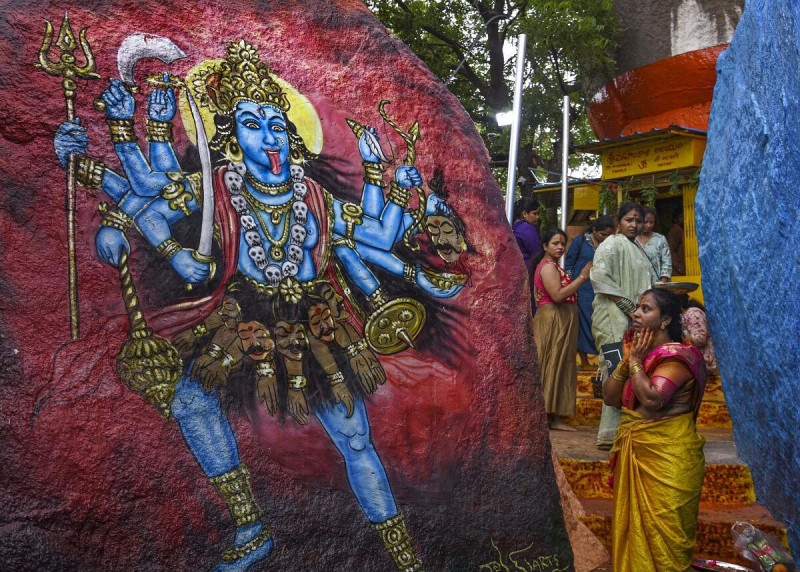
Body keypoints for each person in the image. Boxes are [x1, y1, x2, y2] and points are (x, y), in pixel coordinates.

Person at [52, 39, 467, 571]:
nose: (267, 136)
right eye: (252, 125)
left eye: (276, 126)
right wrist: (85, 162)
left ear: (291, 138)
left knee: (355, 436)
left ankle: (401, 552)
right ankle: (250, 523)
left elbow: (379, 232)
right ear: (231, 140)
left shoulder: (313, 193)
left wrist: (382, 174)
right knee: (190, 399)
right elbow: (146, 191)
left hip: (314, 322)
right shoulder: (221, 185)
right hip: (241, 319)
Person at [602, 288, 707, 572]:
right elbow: (610, 397)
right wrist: (628, 361)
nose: (636, 313)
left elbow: (653, 398)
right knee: (636, 534)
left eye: (646, 309)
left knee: (668, 544)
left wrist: (635, 362)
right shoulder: (638, 353)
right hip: (639, 451)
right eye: (637, 307)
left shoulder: (676, 356)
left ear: (664, 321)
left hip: (669, 459)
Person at [590, 202, 657, 450]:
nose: (635, 225)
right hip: (610, 317)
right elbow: (599, 277)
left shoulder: (636, 248)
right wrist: (627, 304)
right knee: (614, 368)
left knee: (631, 369)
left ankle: (626, 430)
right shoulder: (611, 244)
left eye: (638, 221)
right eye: (629, 220)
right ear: (618, 221)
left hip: (632, 318)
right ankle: (608, 435)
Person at [532, 229, 592, 431]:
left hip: (560, 321)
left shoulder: (554, 266)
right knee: (552, 365)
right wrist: (582, 278)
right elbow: (557, 296)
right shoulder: (548, 267)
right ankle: (547, 416)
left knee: (558, 366)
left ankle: (553, 416)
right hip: (553, 320)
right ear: (545, 246)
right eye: (555, 243)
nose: (560, 247)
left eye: (562, 243)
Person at [564, 215, 615, 369]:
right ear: (594, 230)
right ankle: (584, 361)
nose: (605, 238)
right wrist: (571, 287)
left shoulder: (608, 246)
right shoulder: (580, 242)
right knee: (581, 326)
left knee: (598, 323)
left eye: (608, 235)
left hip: (599, 290)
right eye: (602, 235)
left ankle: (600, 360)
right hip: (581, 290)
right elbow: (569, 264)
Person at [680, 294, 718, 374]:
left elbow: (700, 339)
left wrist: (683, 334)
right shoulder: (685, 313)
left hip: (705, 363)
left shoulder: (693, 312)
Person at [636, 207, 671, 283]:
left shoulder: (660, 239)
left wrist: (663, 282)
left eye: (651, 222)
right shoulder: (632, 240)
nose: (648, 225)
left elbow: (667, 262)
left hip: (657, 285)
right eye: (646, 222)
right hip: (637, 284)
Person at [512, 198, 543, 273]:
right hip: (529, 272)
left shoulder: (512, 228)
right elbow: (537, 253)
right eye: (535, 213)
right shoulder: (527, 229)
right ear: (525, 214)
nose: (537, 217)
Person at [667, 207, 686, 276]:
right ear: (675, 220)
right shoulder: (675, 231)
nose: (684, 218)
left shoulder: (681, 230)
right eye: (681, 216)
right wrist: (680, 268)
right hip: (677, 272)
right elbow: (670, 251)